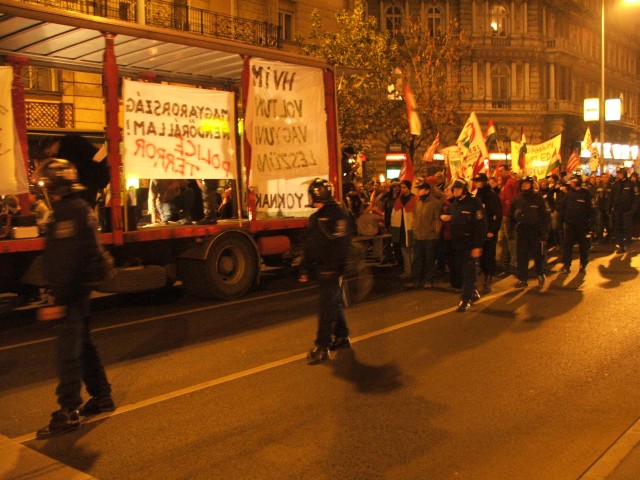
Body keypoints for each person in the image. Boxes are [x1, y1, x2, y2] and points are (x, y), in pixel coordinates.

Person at [34, 158, 114, 439]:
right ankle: (102, 396)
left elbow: (66, 262)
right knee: (84, 345)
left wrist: (57, 300)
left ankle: (68, 410)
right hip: (79, 289)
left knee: (67, 353)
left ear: (53, 186)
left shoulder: (67, 212)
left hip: (71, 292)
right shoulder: (79, 207)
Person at [299, 178, 352, 364]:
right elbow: (343, 245)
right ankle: (342, 336)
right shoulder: (341, 214)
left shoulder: (318, 218)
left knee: (326, 308)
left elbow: (311, 246)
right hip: (332, 268)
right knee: (333, 302)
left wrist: (305, 267)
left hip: (327, 269)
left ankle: (322, 346)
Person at [441, 178, 487, 313]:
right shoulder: (455, 204)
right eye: (454, 189)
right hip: (457, 243)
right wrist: (448, 218)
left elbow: (481, 225)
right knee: (463, 270)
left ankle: (465, 299)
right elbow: (455, 218)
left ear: (465, 190)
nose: (455, 191)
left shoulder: (474, 203)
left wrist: (478, 245)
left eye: (458, 189)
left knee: (468, 271)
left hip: (470, 243)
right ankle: (472, 291)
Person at [38, 135, 110, 208]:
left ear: (54, 143)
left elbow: (89, 158)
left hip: (93, 174)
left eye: (49, 149)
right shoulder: (61, 153)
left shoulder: (71, 142)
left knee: (86, 202)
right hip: (87, 178)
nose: (49, 153)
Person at [509, 176, 551, 288]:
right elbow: (510, 217)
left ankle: (540, 273)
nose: (524, 186)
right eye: (523, 184)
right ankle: (523, 279)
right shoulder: (516, 199)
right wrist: (510, 232)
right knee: (522, 256)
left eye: (527, 184)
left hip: (536, 231)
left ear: (531, 185)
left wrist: (545, 233)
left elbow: (546, 217)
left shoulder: (539, 198)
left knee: (538, 255)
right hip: (521, 231)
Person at [404, 180, 442, 289]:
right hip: (418, 235)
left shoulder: (435, 203)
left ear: (427, 190)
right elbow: (415, 216)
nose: (418, 191)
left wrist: (431, 230)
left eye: (420, 189)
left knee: (429, 260)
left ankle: (429, 280)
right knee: (417, 260)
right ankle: (415, 280)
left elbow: (437, 219)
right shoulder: (418, 202)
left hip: (430, 237)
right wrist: (415, 227)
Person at [473, 173, 502, 294]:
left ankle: (488, 281)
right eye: (476, 181)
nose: (477, 183)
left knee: (489, 256)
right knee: (482, 257)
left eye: (479, 181)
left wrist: (492, 230)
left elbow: (497, 214)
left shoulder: (491, 195)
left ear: (484, 181)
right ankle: (483, 278)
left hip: (489, 231)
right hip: (480, 231)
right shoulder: (477, 194)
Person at [559, 176, 593, 274]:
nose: (571, 183)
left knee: (583, 245)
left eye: (573, 181)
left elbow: (592, 210)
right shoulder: (569, 194)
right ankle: (566, 265)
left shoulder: (586, 194)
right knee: (567, 245)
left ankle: (583, 264)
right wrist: (563, 220)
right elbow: (562, 207)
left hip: (583, 224)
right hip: (570, 224)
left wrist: (592, 225)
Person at [496, 164, 520, 273]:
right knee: (502, 240)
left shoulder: (511, 183)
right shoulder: (504, 183)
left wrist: (509, 215)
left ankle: (514, 264)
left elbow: (512, 200)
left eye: (501, 170)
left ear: (507, 171)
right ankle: (501, 263)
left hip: (508, 216)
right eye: (499, 171)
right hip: (503, 215)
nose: (500, 173)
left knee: (511, 240)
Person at [390, 180, 416, 278]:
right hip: (401, 229)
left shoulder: (414, 199)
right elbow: (394, 213)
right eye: (401, 187)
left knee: (411, 250)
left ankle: (414, 271)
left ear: (409, 188)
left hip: (410, 228)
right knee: (404, 250)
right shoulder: (399, 199)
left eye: (404, 187)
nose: (402, 189)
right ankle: (407, 270)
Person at [609, 167, 637, 253]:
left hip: (627, 211)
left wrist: (632, 209)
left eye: (620, 174)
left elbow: (635, 198)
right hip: (617, 210)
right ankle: (620, 245)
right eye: (618, 174)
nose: (618, 175)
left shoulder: (631, 184)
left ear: (624, 174)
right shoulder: (615, 184)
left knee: (627, 228)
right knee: (618, 228)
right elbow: (611, 197)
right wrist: (609, 208)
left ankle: (628, 244)